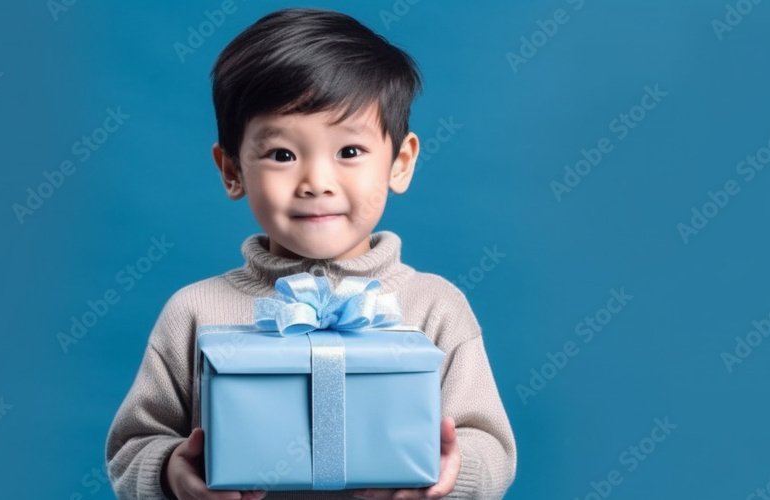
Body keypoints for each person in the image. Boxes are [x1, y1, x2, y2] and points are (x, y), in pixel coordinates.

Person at [106, 8, 516, 500]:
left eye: (349, 152)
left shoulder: (437, 308)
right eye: (282, 155)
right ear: (232, 170)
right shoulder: (192, 312)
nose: (317, 183)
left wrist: (456, 471)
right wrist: (169, 472)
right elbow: (132, 447)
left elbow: (490, 446)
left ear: (400, 162)